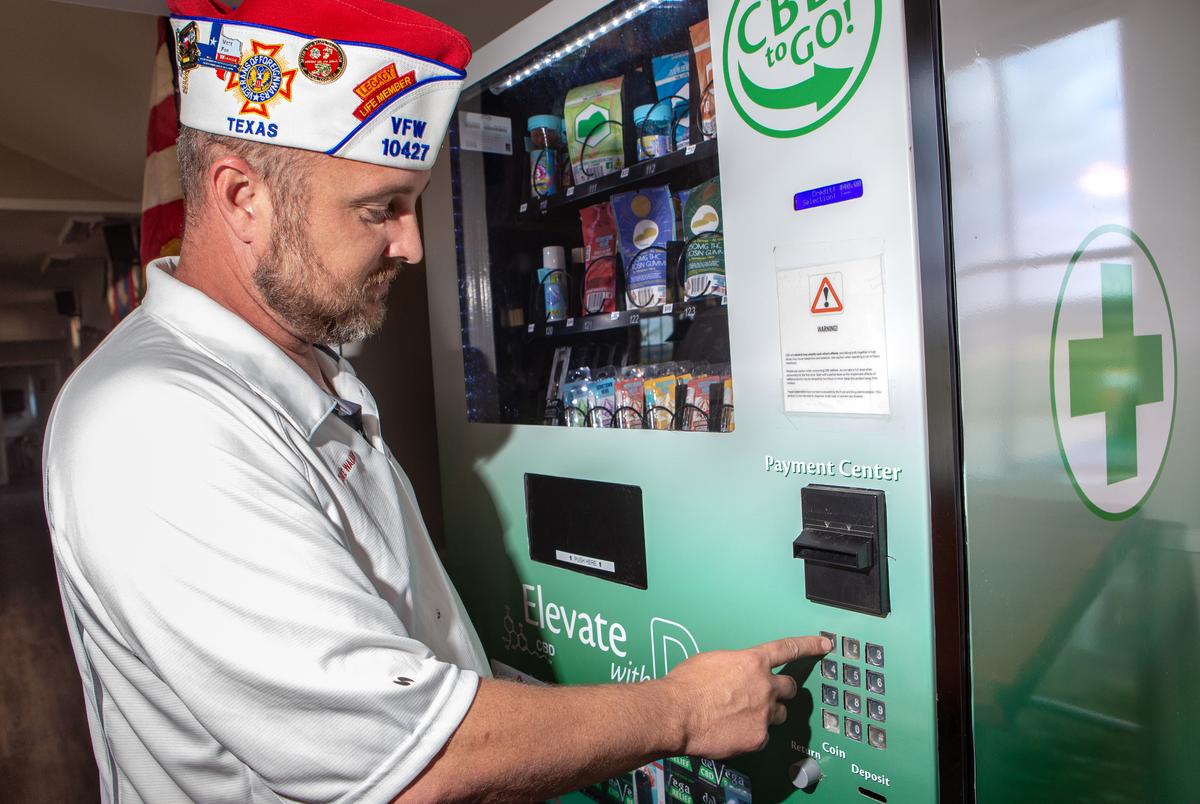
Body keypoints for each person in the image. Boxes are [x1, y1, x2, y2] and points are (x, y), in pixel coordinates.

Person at [42, 0, 832, 801]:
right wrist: (683, 711)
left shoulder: (302, 367)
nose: (412, 245)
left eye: (414, 205)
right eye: (380, 208)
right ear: (243, 197)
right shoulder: (153, 422)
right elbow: (410, 763)